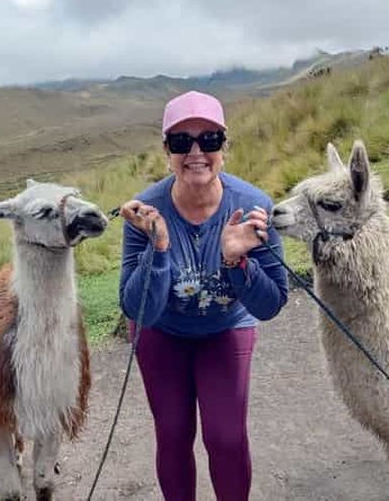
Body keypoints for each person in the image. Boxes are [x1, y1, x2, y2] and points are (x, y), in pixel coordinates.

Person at [118, 90, 289, 501]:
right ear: (167, 151)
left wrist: (238, 262)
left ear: (224, 147)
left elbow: (271, 303)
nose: (196, 152)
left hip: (225, 330)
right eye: (182, 142)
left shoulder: (252, 206)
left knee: (227, 437)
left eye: (209, 140)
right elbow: (136, 307)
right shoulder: (146, 212)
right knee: (173, 434)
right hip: (163, 333)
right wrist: (158, 249)